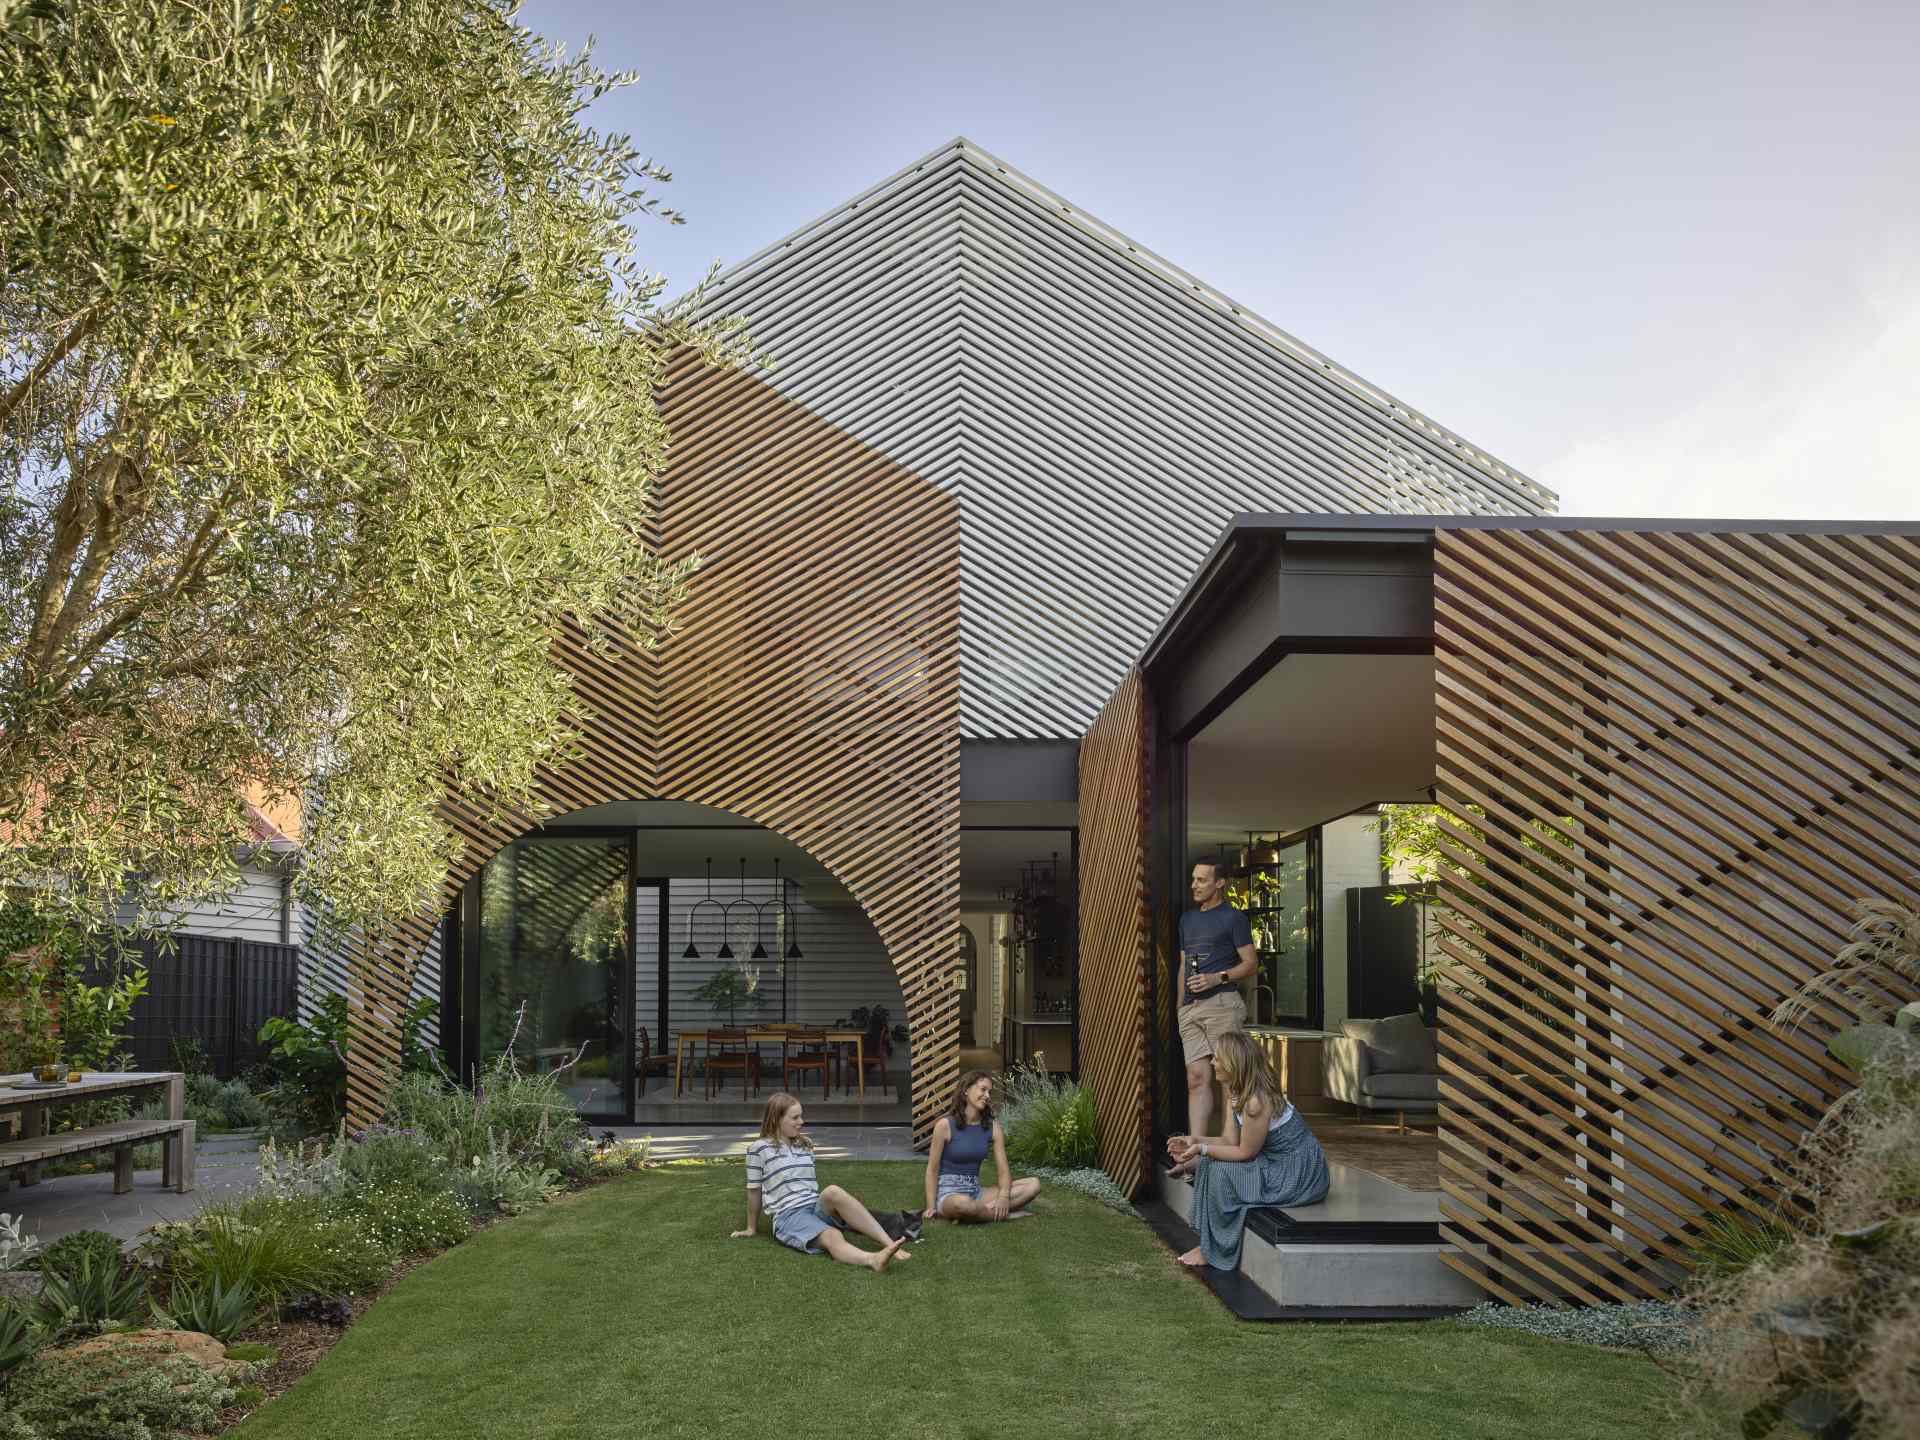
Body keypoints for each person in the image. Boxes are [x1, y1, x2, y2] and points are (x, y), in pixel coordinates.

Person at [1166, 1029, 1329, 1271]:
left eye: (1218, 1058)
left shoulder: (1255, 1102)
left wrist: (1201, 1149)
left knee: (1219, 1170)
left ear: (1234, 1064)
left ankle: (1214, 1251)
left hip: (1297, 1174)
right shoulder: (1237, 1091)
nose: (1212, 1062)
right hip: (1274, 1161)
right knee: (1211, 1162)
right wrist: (1194, 1140)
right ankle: (1207, 1243)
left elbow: (1244, 1153)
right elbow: (1229, 1140)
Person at [732, 1091, 909, 1271]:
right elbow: (754, 1190)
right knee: (832, 1235)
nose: (801, 1122)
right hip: (789, 1215)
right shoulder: (758, 1149)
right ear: (777, 1119)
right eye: (795, 1117)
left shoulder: (804, 1144)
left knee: (832, 1191)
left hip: (815, 1206)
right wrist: (750, 1228)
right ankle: (872, 1260)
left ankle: (889, 1244)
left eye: (801, 1116)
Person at [1174, 857, 1258, 1165]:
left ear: (1220, 883)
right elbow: (1184, 965)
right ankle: (1193, 1153)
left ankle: (1230, 1147)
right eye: (1193, 879)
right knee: (1196, 1078)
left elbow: (1250, 963)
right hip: (1191, 1009)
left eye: (1202, 880)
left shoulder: (1233, 918)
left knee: (1229, 1078)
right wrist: (1179, 1006)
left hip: (1222, 1004)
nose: (1194, 885)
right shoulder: (1187, 920)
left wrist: (1217, 977)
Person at [924, 1070, 1041, 1222]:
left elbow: (1003, 1171)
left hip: (976, 1192)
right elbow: (932, 1170)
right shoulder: (945, 1125)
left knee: (1033, 1185)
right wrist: (931, 1207)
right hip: (949, 1195)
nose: (987, 1096)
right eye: (983, 1089)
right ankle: (1003, 1215)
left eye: (989, 1092)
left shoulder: (993, 1128)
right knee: (963, 1204)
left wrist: (1004, 1197)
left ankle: (980, 1212)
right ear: (966, 1090)